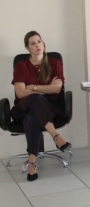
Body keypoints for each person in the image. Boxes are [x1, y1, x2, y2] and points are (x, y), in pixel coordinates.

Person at [11, 31, 71, 182]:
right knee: (35, 100)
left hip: (50, 107)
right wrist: (45, 88)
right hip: (22, 108)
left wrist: (34, 88)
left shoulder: (54, 63)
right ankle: (56, 136)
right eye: (33, 43)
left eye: (39, 41)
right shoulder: (21, 65)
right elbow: (20, 93)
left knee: (33, 117)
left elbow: (57, 89)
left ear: (43, 44)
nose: (37, 45)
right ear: (27, 48)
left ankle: (32, 162)